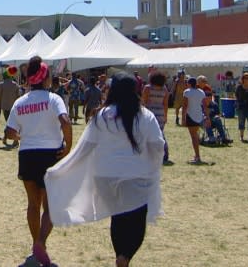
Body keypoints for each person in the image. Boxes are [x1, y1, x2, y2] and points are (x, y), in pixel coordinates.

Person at [45, 72, 165, 267]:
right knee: (136, 220)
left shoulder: (102, 115)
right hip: (135, 176)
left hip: (105, 177)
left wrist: (61, 168)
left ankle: (120, 254)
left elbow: (84, 148)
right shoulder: (145, 116)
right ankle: (125, 256)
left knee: (117, 216)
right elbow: (158, 145)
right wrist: (153, 165)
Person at [4, 57, 72, 267]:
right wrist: (68, 146)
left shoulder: (20, 102)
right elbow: (66, 122)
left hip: (27, 154)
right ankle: (41, 242)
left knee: (32, 204)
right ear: (46, 78)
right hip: (51, 153)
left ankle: (36, 243)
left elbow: (9, 132)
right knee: (50, 206)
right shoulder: (54, 99)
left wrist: (23, 138)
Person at [142, 71, 172, 165]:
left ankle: (149, 154)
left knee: (147, 135)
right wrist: (165, 116)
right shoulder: (164, 89)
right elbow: (165, 104)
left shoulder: (147, 88)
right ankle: (165, 154)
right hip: (161, 114)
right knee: (161, 134)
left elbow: (144, 102)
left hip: (150, 113)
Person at [182, 77, 207, 164]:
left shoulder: (187, 92)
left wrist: (183, 118)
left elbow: (185, 105)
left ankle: (197, 156)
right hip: (199, 115)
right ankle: (197, 155)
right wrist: (207, 117)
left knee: (193, 136)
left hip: (190, 115)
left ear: (189, 84)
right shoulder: (201, 92)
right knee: (195, 135)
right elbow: (205, 106)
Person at [0, 68, 20, 147]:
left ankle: (15, 140)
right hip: (14, 107)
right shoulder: (16, 85)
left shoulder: (1, 84)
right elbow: (18, 97)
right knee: (12, 123)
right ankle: (5, 138)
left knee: (9, 123)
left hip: (5, 107)